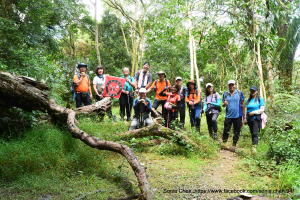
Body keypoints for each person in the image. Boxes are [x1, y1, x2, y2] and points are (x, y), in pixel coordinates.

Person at [222, 80, 245, 147]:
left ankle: (234, 144)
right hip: (228, 115)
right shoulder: (225, 94)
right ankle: (224, 143)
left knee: (237, 131)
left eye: (233, 85)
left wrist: (243, 114)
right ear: (228, 86)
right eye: (230, 85)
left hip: (238, 116)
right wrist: (224, 104)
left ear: (235, 85)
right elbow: (223, 105)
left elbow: (243, 104)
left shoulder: (239, 93)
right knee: (226, 130)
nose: (232, 86)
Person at [244, 86, 265, 152]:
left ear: (256, 91)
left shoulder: (260, 99)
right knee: (251, 132)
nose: (252, 92)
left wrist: (254, 112)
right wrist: (245, 118)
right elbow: (246, 109)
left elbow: (262, 109)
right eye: (251, 90)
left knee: (255, 132)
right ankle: (253, 145)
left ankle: (255, 147)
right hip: (249, 118)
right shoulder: (248, 100)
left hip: (256, 118)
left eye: (253, 91)